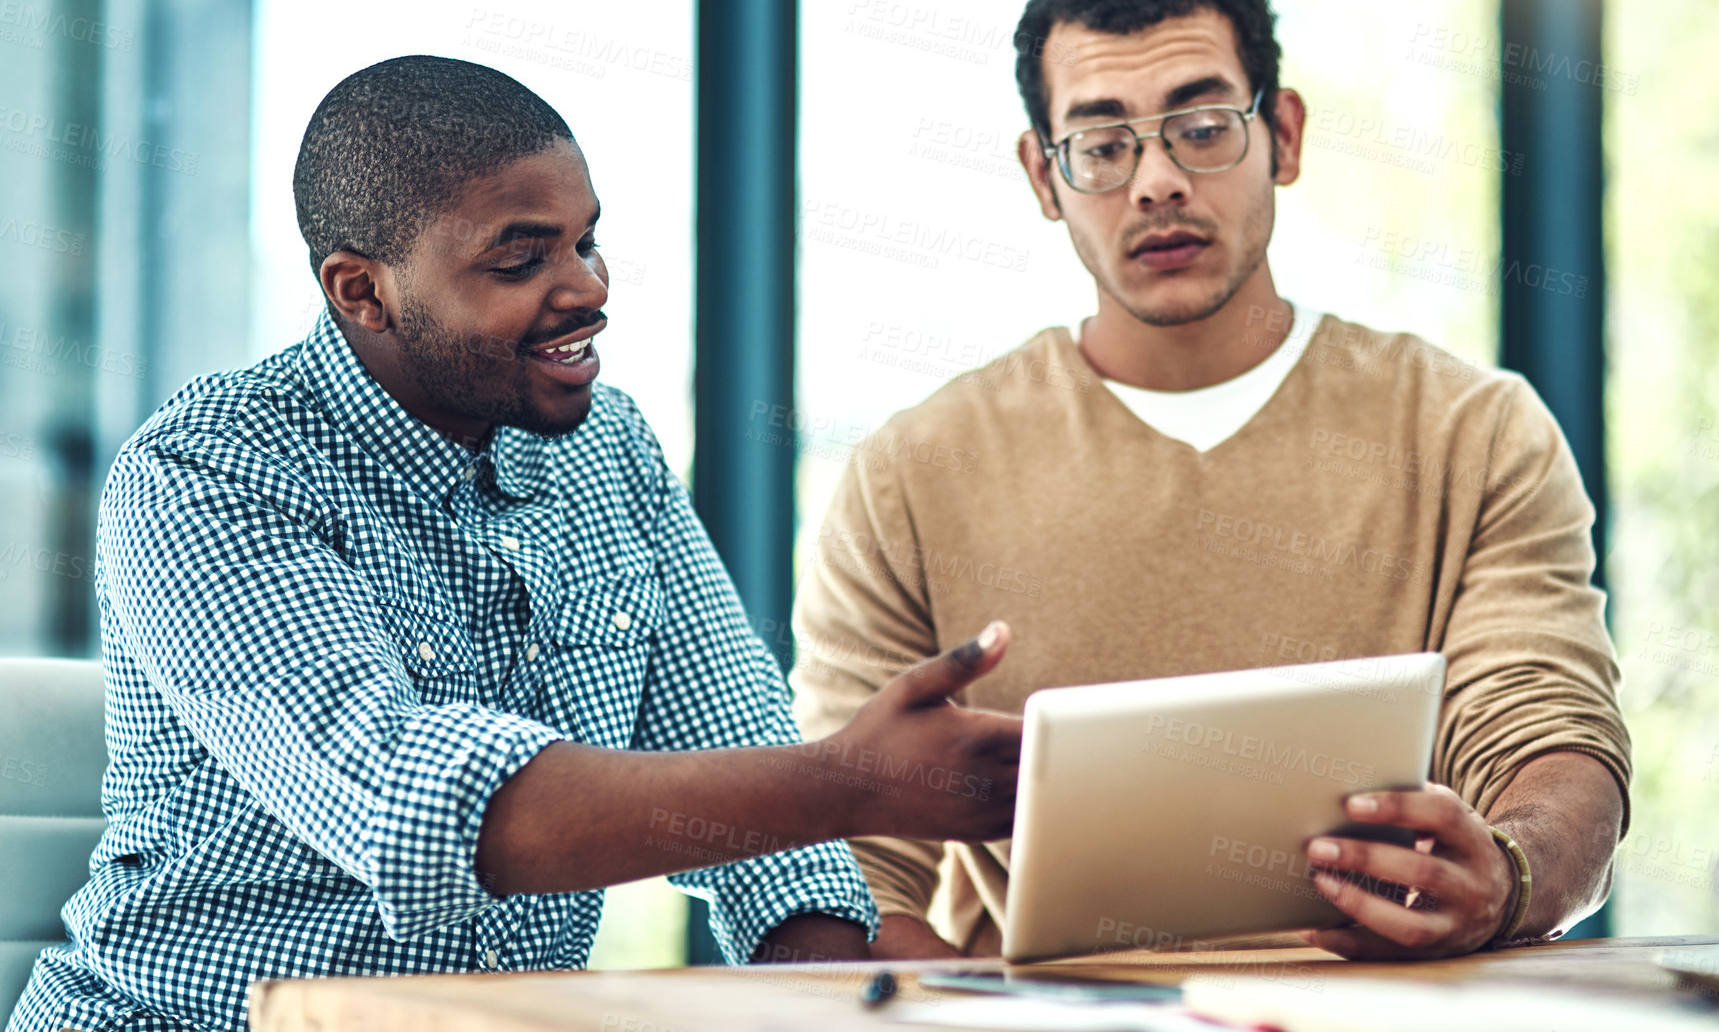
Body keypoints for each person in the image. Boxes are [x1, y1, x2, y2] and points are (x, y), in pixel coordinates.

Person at [8, 56, 1021, 1032]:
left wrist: (863, 974)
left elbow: (740, 771)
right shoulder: (208, 473)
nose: (586, 288)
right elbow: (428, 808)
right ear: (363, 292)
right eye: (521, 259)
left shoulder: (606, 446)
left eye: (586, 241)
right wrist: (859, 780)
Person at [791, 0, 1631, 962]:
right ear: (1042, 177)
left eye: (1201, 126)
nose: (1156, 183)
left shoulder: (1473, 433)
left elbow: (1552, 740)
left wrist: (1511, 871)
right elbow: (849, 859)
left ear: (1283, 133)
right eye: (1102, 145)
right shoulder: (907, 477)